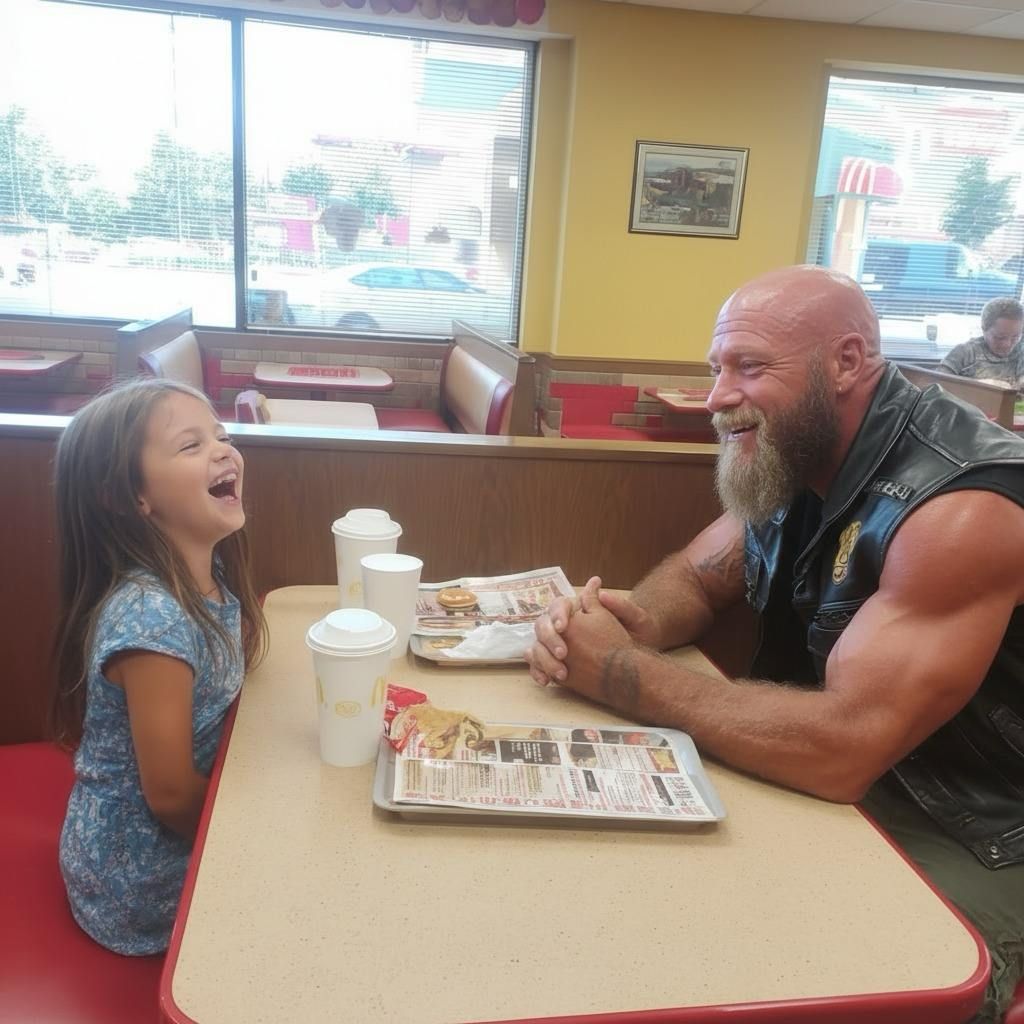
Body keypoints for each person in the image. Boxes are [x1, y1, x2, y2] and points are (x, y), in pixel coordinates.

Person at [527, 265, 1024, 1023]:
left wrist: (622, 672)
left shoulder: (962, 505)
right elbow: (695, 579)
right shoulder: (799, 444)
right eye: (716, 368)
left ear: (846, 362)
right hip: (828, 769)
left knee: (854, 988)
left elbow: (846, 746)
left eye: (750, 366)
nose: (718, 395)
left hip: (977, 824)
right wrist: (629, 621)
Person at [50, 379, 267, 955]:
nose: (224, 451)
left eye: (221, 436)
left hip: (180, 819)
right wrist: (252, 846)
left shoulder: (206, 575)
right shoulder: (153, 621)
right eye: (191, 445)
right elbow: (169, 796)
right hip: (138, 879)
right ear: (130, 497)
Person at [939, 297, 1024, 388]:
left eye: (1015, 337)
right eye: (1000, 337)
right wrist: (979, 385)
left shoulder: (1021, 352)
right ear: (984, 328)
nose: (1007, 344)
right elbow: (937, 385)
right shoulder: (965, 352)